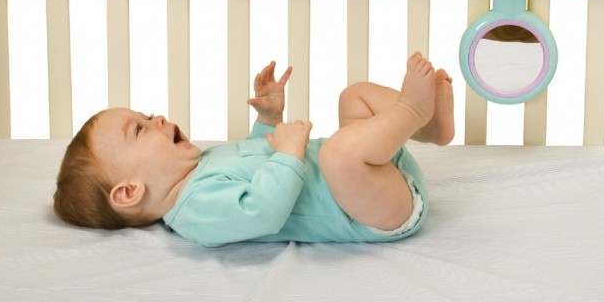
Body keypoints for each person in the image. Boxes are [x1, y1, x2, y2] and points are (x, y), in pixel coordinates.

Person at [53, 52, 455, 246]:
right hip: (372, 212)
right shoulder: (193, 212)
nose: (157, 119)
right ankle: (411, 111)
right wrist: (289, 154)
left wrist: (269, 118)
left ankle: (431, 127)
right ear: (129, 191)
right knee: (338, 153)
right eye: (139, 129)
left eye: (148, 114)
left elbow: (254, 155)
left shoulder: (201, 165)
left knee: (354, 97)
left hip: (377, 173)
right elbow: (262, 210)